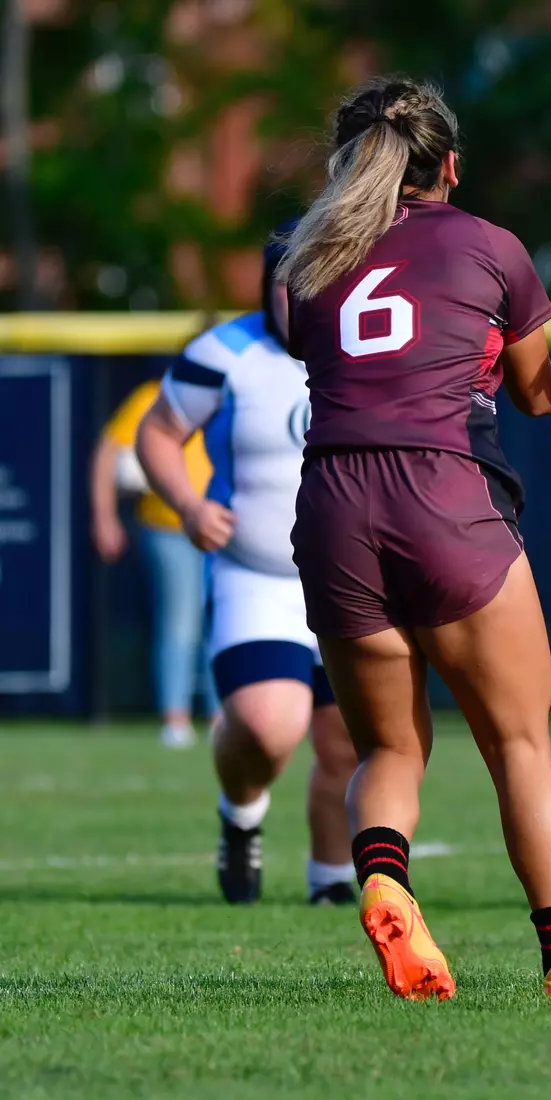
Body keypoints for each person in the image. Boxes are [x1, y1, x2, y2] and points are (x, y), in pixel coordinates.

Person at [278, 77, 551, 1000]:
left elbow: (325, 344)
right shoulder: (490, 246)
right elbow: (541, 395)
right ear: (451, 164)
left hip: (334, 504)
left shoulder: (303, 258)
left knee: (387, 748)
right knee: (519, 745)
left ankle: (384, 872)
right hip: (442, 492)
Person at [134, 226, 359, 906]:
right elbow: (158, 432)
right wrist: (186, 504)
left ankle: (331, 880)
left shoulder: (367, 348)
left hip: (351, 577)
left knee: (349, 740)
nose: (304, 297)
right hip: (254, 577)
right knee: (269, 725)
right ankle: (241, 814)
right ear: (270, 286)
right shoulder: (225, 354)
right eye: (292, 283)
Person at [91, 379, 218, 746]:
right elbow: (110, 450)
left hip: (226, 528)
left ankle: (221, 716)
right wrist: (104, 516)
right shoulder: (154, 395)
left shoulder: (236, 389)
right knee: (180, 621)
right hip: (168, 527)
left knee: (222, 621)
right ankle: (174, 718)